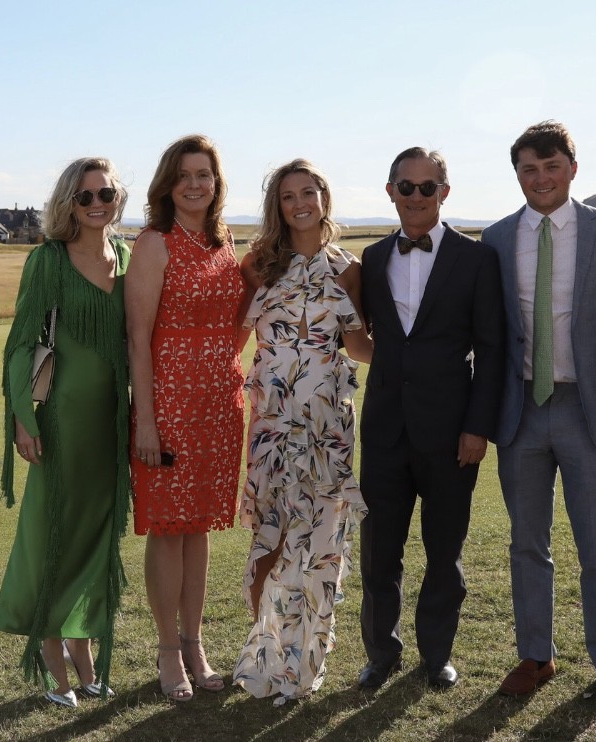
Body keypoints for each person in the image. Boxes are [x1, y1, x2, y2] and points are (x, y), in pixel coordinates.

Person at [481, 121, 596, 708]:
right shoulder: (496, 239)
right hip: (520, 408)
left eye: (551, 167)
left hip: (587, 408)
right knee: (527, 542)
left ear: (572, 168)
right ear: (517, 174)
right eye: (529, 169)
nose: (541, 178)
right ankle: (535, 655)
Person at [357, 147, 505, 690]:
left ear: (444, 192)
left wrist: (477, 427)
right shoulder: (372, 258)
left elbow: (492, 350)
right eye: (406, 186)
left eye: (427, 187)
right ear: (390, 191)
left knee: (445, 552)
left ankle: (436, 654)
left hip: (451, 433)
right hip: (384, 430)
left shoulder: (477, 259)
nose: (416, 196)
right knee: (379, 553)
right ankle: (381, 653)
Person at [231, 159, 372, 705]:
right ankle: (266, 656)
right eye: (288, 196)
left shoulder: (348, 269)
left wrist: (430, 358)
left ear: (323, 198)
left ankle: (304, 663)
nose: (299, 204)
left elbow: (358, 345)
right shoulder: (257, 266)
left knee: (319, 544)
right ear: (278, 205)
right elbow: (231, 342)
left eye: (307, 192)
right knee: (271, 535)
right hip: (272, 422)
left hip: (328, 424)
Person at [0, 157, 131, 708]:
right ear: (68, 203)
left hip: (112, 424)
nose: (97, 204)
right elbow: (21, 343)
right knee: (54, 536)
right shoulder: (47, 260)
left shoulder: (127, 256)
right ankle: (54, 667)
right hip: (61, 422)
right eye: (85, 196)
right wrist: (23, 420)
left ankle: (85, 657)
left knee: (96, 538)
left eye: (106, 193)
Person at [126, 134, 245, 703]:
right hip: (169, 403)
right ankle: (168, 648)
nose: (195, 184)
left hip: (220, 405)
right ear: (167, 185)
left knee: (198, 529)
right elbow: (137, 339)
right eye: (184, 175)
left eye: (204, 174)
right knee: (168, 528)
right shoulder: (155, 243)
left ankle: (195, 643)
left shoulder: (226, 243)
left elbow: (238, 322)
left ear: (216, 183)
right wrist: (146, 422)